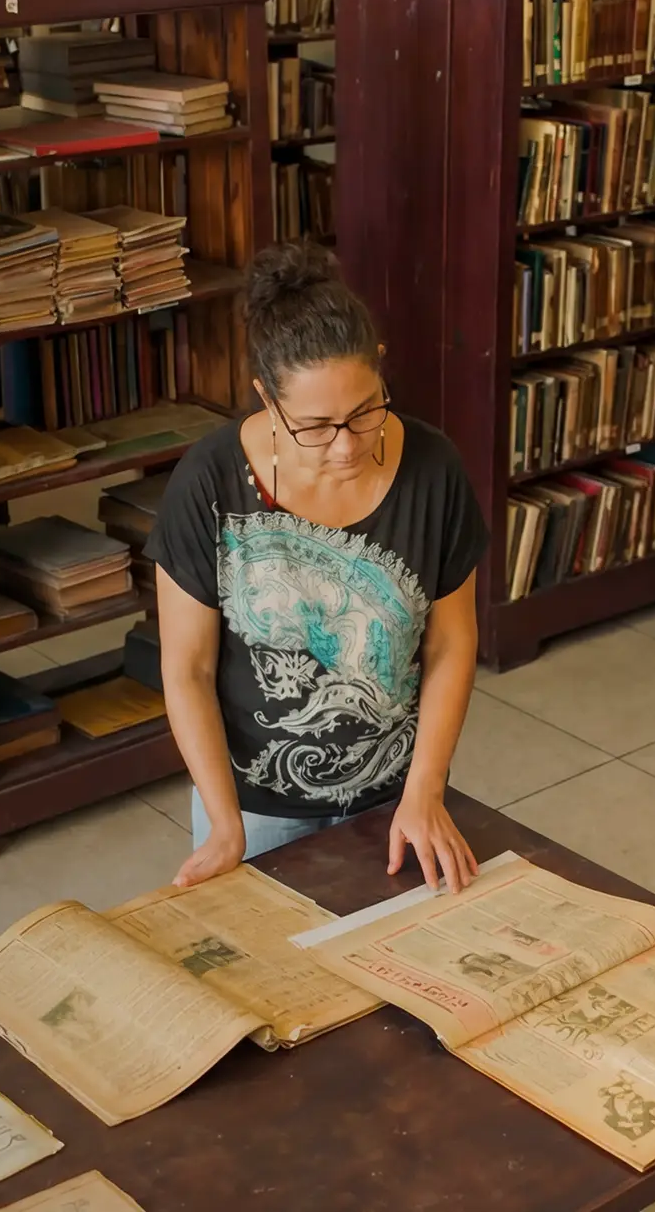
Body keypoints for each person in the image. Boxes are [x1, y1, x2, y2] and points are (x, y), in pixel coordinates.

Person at [144, 242, 488, 892]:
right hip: (254, 808)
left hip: (399, 796)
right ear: (266, 402)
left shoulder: (434, 470)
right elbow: (186, 669)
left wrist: (426, 789)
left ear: (380, 369)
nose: (346, 444)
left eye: (365, 411)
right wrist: (224, 825)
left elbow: (452, 641)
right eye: (316, 425)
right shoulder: (208, 484)